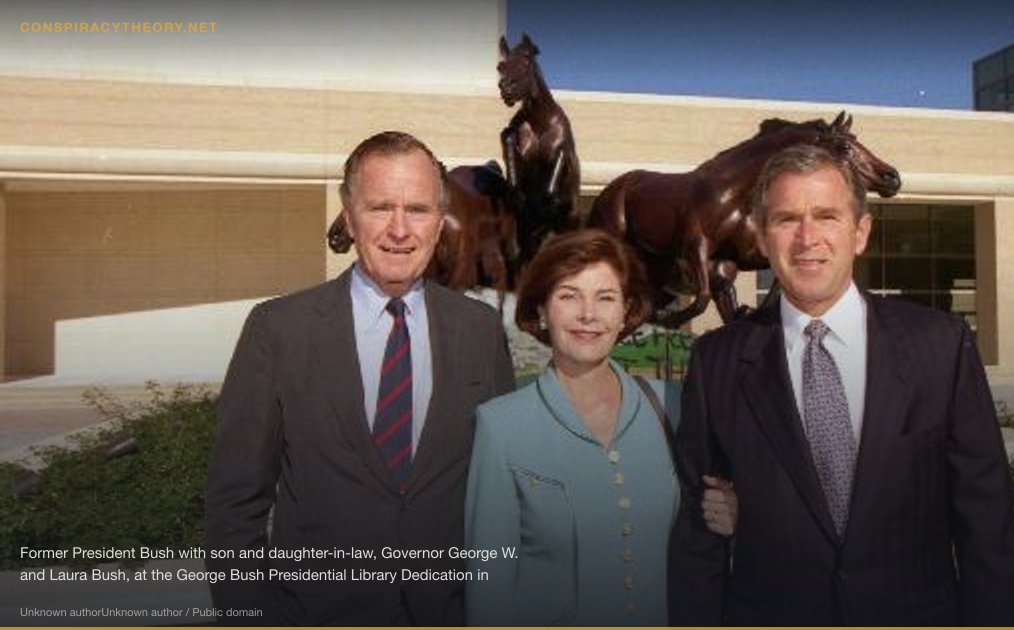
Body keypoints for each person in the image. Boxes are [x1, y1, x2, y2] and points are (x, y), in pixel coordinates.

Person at [668, 144, 1014, 625]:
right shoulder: (718, 362)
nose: (807, 237)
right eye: (786, 219)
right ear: (761, 236)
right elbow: (699, 535)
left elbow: (988, 525)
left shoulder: (940, 347)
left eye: (827, 216)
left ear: (860, 233)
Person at [205, 131, 516, 625]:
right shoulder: (279, 330)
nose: (400, 229)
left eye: (417, 209)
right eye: (379, 208)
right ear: (349, 218)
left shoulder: (479, 331)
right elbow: (234, 504)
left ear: (439, 222)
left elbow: (502, 491)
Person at [463, 229, 736, 626]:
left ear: (626, 311)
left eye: (605, 298)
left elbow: (710, 539)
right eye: (569, 295)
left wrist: (735, 514)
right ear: (541, 310)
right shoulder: (500, 426)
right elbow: (488, 591)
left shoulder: (675, 407)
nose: (588, 314)